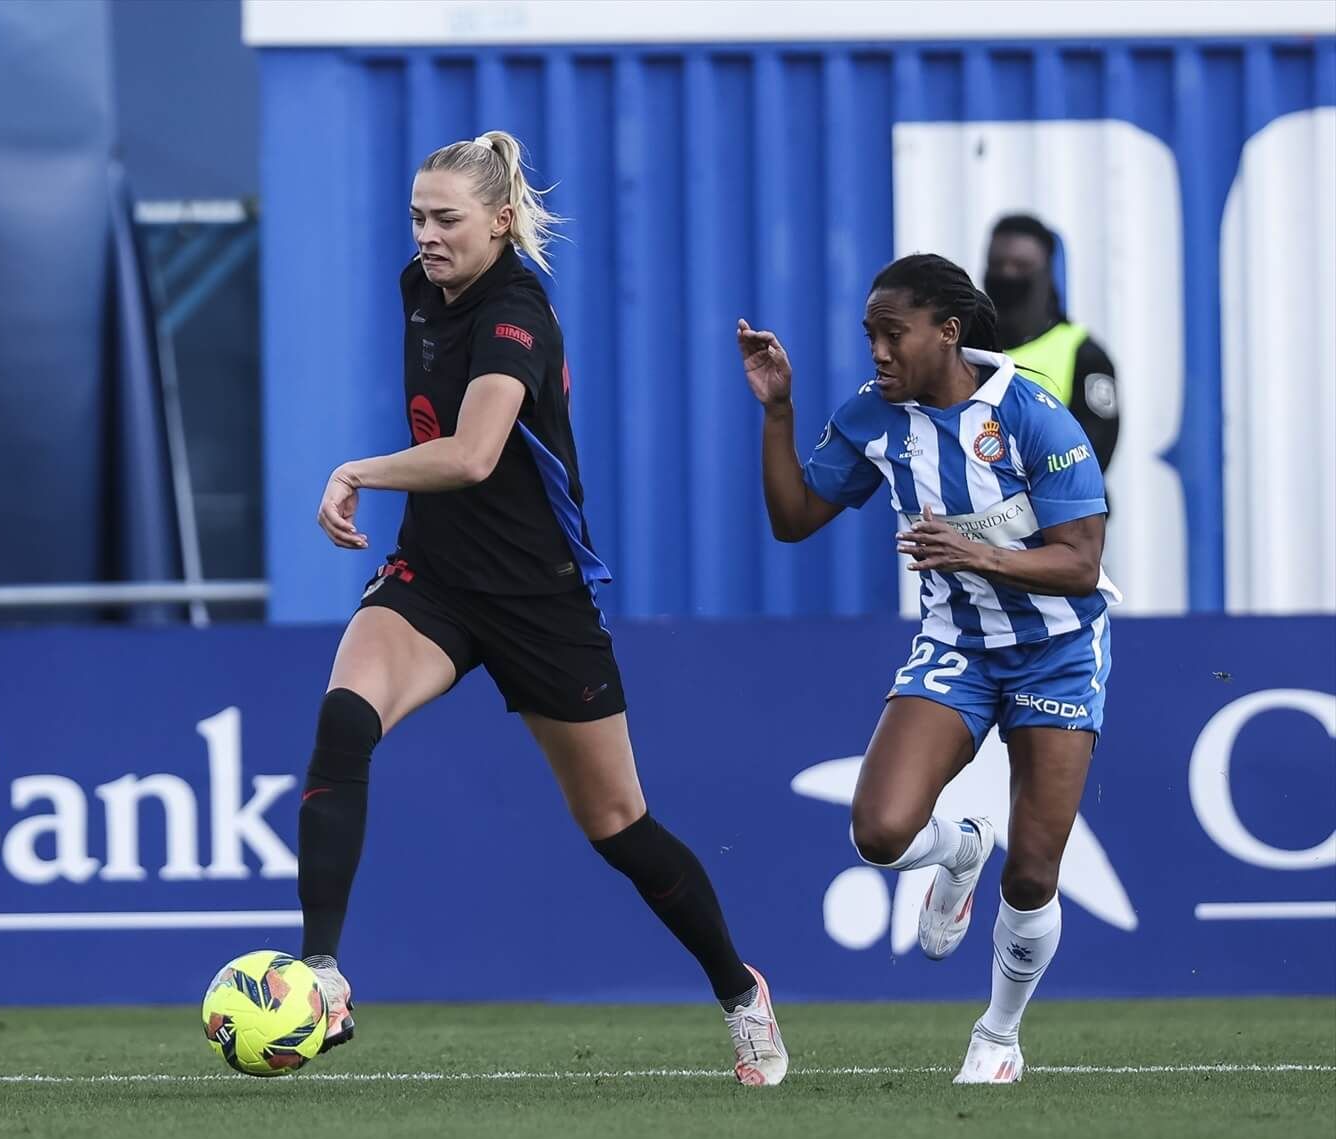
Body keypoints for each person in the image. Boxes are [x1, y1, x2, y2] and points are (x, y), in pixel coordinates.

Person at [297, 130, 787, 1086]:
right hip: (435, 581)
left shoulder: (517, 311)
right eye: (416, 217)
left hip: (537, 597)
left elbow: (475, 454)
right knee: (342, 722)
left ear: (501, 221)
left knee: (617, 824)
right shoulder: (420, 285)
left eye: (446, 219)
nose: (427, 236)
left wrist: (357, 469)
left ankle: (740, 992)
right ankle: (321, 974)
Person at [737, 253, 1117, 1084]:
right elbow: (795, 519)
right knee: (878, 831)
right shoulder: (875, 417)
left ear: (948, 332)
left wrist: (974, 550)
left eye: (892, 333)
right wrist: (778, 413)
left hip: (1057, 655)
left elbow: (1081, 565)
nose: (876, 350)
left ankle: (999, 1036)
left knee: (1036, 870)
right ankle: (959, 849)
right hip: (956, 648)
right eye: (869, 333)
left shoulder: (1033, 418)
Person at [984, 214, 1120, 473]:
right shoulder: (965, 348)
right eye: (997, 264)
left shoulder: (1084, 355)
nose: (1007, 275)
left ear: (1046, 274)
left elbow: (1093, 454)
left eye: (1021, 266)